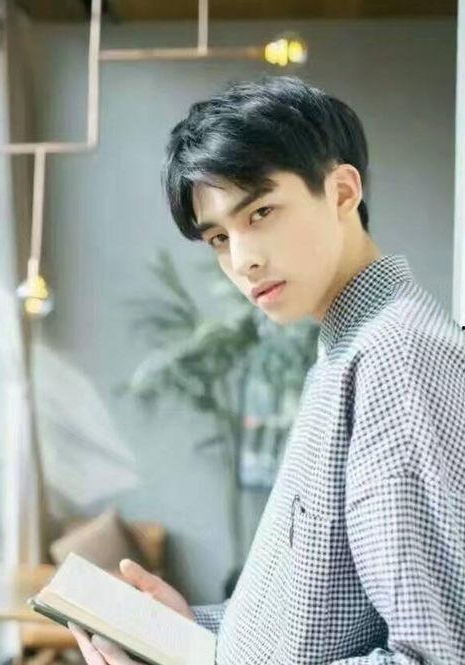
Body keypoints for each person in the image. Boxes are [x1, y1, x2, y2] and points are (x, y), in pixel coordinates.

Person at [70, 75, 465, 664]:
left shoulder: (395, 357)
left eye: (260, 212)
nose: (242, 259)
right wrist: (194, 627)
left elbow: (436, 655)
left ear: (341, 192)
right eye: (218, 238)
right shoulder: (347, 350)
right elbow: (315, 619)